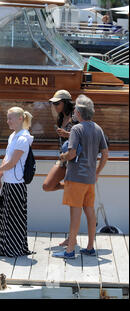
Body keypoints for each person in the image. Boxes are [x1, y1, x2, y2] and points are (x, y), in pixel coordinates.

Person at [53, 95, 108, 259]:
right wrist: (97, 172)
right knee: (89, 212)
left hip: (76, 177)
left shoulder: (76, 129)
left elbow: (72, 154)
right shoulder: (98, 128)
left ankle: (70, 251)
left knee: (75, 214)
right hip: (90, 178)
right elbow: (105, 154)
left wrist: (62, 157)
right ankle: (90, 247)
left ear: (78, 112)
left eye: (76, 108)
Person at [0, 107, 34, 257]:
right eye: (7, 118)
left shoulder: (22, 139)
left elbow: (13, 162)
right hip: (9, 182)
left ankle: (13, 248)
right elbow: (7, 158)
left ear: (20, 119)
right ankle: (4, 247)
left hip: (16, 184)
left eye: (10, 118)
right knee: (5, 217)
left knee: (14, 218)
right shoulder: (13, 136)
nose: (7, 121)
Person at [42, 90, 76, 192]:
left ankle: (75, 186)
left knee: (79, 203)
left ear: (66, 103)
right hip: (63, 158)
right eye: (53, 104)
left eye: (57, 103)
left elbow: (85, 136)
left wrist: (68, 134)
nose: (54, 106)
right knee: (47, 186)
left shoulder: (76, 117)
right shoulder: (60, 118)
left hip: (76, 159)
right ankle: (71, 186)